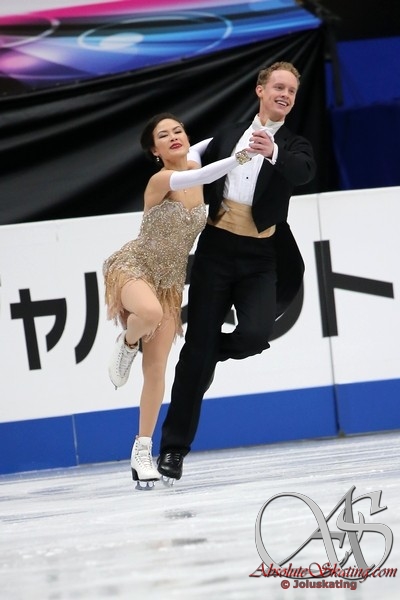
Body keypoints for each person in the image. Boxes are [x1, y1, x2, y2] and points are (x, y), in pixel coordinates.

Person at [157, 62, 317, 484]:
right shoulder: (227, 136)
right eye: (278, 87)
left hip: (260, 257)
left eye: (291, 91)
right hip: (215, 251)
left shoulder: (295, 145)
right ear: (260, 90)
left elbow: (303, 172)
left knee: (254, 334)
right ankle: (173, 449)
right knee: (195, 359)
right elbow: (192, 160)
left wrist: (273, 152)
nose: (285, 95)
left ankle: (208, 349)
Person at [103, 112, 259, 489]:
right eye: (163, 135)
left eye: (178, 131)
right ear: (154, 150)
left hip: (170, 282)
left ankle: (142, 450)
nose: (174, 137)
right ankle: (128, 342)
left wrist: (254, 130)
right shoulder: (163, 180)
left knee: (157, 370)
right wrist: (242, 155)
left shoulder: (194, 162)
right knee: (149, 312)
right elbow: (205, 174)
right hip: (135, 265)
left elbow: (211, 146)